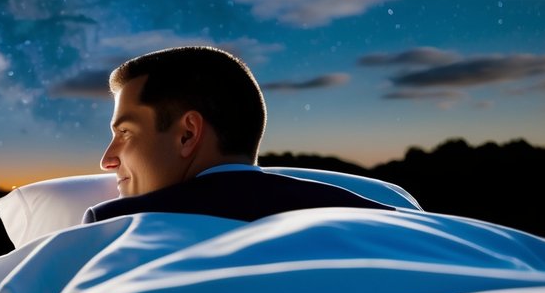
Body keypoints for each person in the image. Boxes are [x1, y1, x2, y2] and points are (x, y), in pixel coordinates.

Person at [82, 46, 395, 224]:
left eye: (125, 132)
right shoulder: (387, 218)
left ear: (187, 135)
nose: (107, 160)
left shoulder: (115, 225)